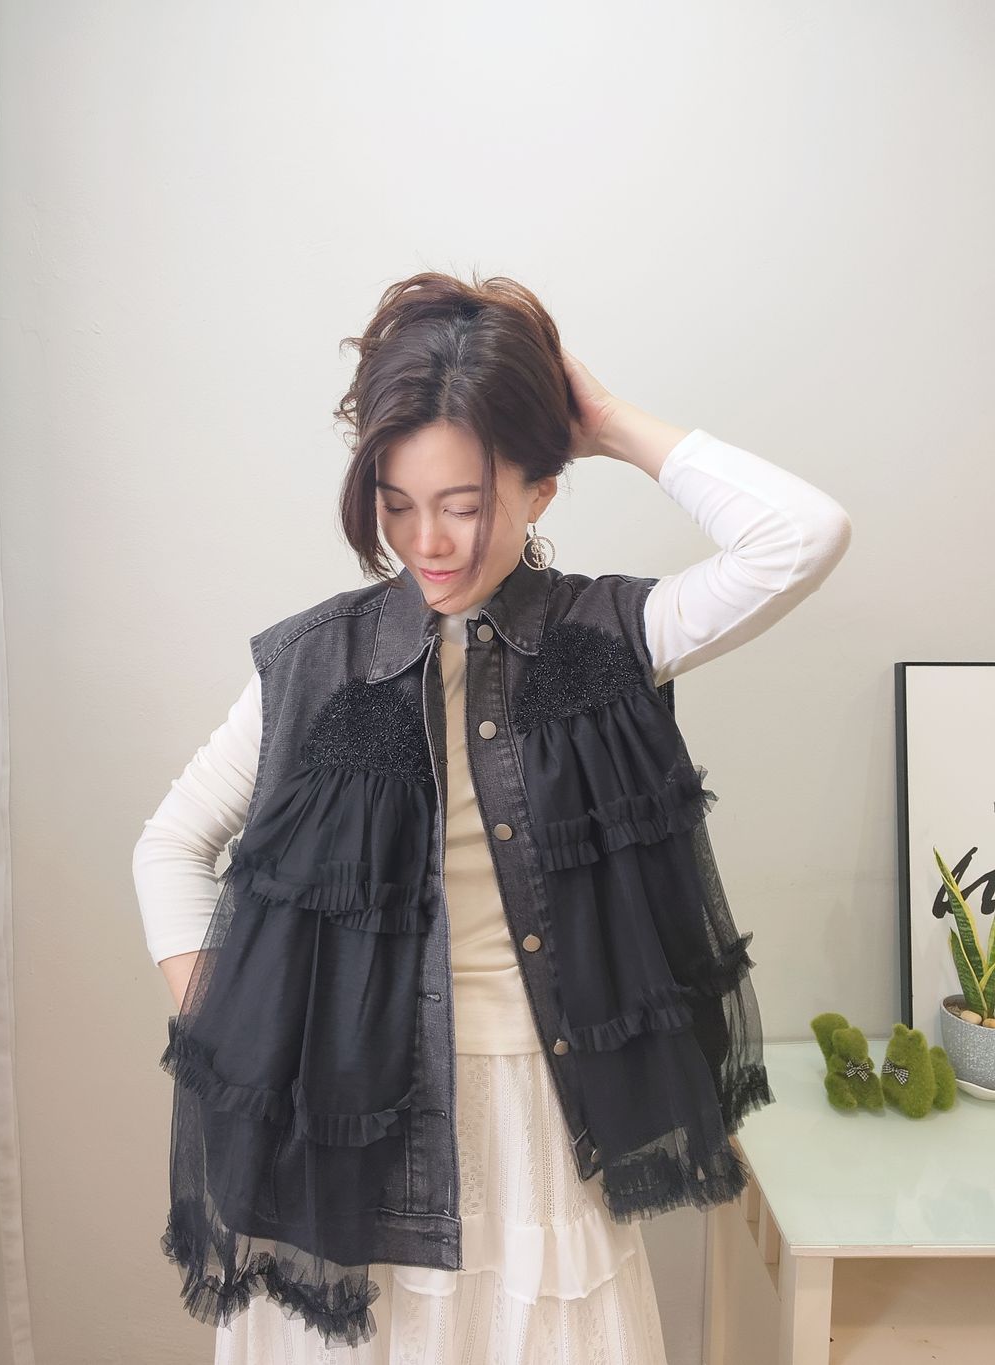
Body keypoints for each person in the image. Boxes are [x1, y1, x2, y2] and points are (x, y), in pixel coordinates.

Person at [132, 271, 852, 1364]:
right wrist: (238, 1026)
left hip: (529, 1118)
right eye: (397, 505)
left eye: (464, 506)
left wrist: (609, 424)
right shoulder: (315, 664)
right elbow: (169, 845)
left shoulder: (610, 638)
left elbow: (803, 535)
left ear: (539, 490)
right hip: (342, 1119)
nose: (428, 542)